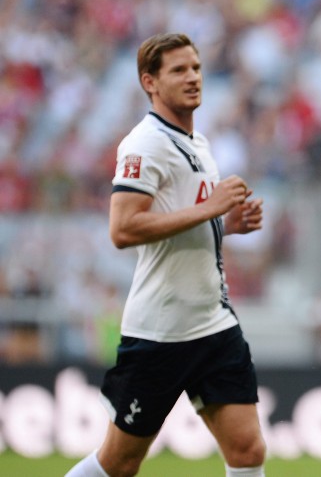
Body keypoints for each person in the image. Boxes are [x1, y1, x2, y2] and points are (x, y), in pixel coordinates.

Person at [66, 33, 267, 477]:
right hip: (162, 331)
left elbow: (182, 220)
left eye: (195, 67)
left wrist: (225, 225)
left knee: (248, 450)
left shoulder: (199, 144)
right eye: (178, 70)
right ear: (149, 83)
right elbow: (122, 228)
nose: (193, 77)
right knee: (119, 463)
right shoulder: (144, 144)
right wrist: (211, 207)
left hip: (213, 322)